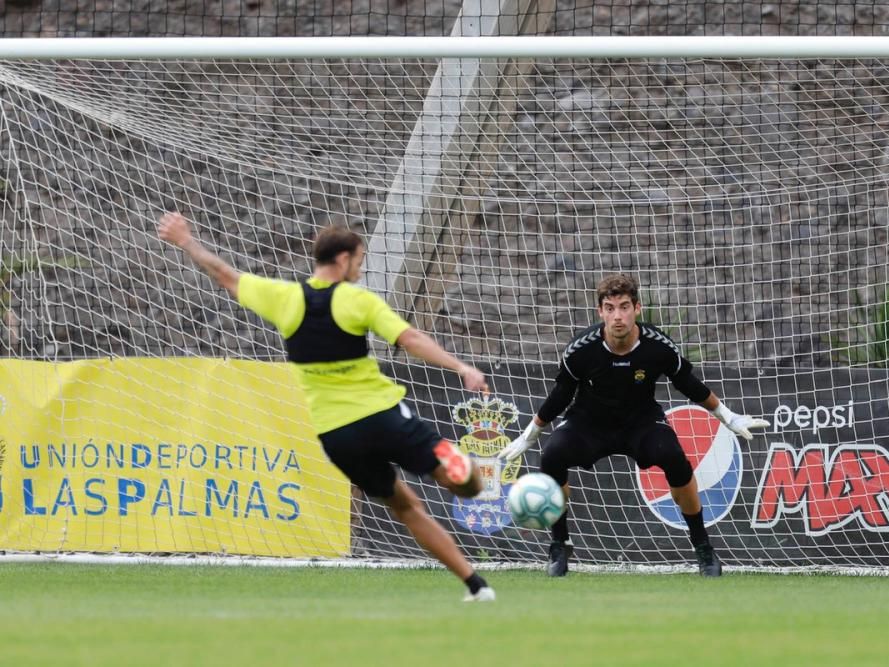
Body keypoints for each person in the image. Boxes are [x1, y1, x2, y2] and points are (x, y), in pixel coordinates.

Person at [157, 212, 496, 601]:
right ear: (343, 259)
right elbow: (410, 338)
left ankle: (476, 586)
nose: (361, 268)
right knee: (464, 483)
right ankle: (460, 467)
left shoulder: (285, 298)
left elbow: (225, 275)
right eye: (360, 260)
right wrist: (460, 366)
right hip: (384, 417)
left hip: (338, 436)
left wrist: (186, 240)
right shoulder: (356, 300)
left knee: (405, 508)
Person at [499, 274, 768, 577]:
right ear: (600, 312)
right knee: (552, 455)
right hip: (589, 423)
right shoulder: (580, 350)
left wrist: (728, 417)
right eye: (610, 308)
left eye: (624, 306)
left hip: (641, 421)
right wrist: (529, 435)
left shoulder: (658, 346)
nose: (618, 315)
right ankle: (560, 545)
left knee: (674, 458)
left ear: (637, 308)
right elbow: (561, 395)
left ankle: (703, 547)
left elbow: (688, 384)